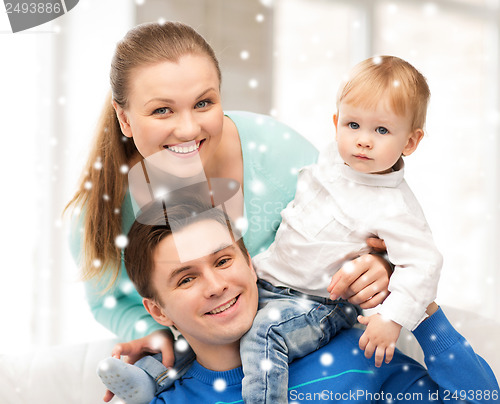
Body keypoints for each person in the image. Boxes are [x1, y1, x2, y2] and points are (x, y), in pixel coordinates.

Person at [65, 21, 392, 402]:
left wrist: (381, 264)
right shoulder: (102, 212)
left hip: (311, 346)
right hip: (212, 368)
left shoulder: (280, 154)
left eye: (203, 103)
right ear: (125, 119)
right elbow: (109, 299)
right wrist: (150, 330)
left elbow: (372, 228)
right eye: (161, 111)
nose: (187, 129)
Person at [106, 198, 498, 404]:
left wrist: (416, 302)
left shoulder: (358, 353)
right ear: (157, 310)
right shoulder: (171, 399)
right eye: (187, 278)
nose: (215, 285)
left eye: (223, 260)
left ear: (250, 263)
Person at [238, 55, 443, 403]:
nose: (363, 140)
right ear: (336, 124)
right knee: (211, 321)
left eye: (382, 130)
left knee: (264, 333)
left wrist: (392, 318)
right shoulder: (332, 158)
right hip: (267, 279)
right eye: (352, 125)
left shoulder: (394, 207)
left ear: (410, 141)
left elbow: (424, 264)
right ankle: (154, 374)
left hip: (317, 303)